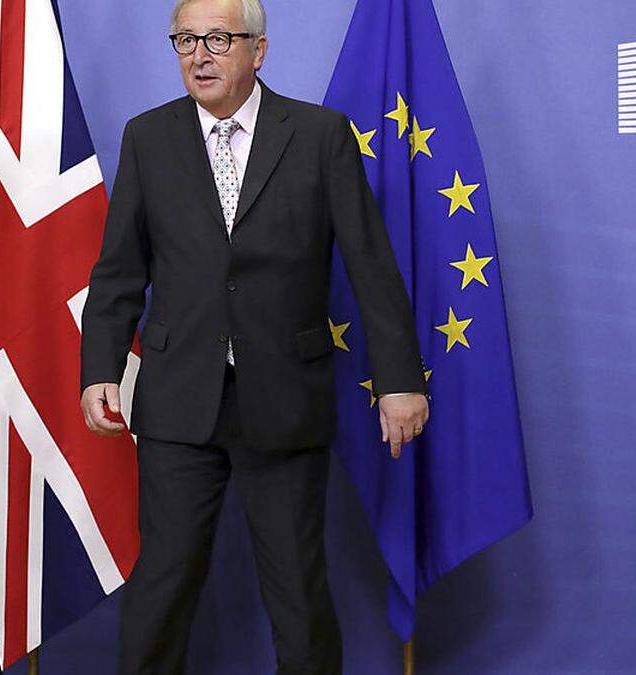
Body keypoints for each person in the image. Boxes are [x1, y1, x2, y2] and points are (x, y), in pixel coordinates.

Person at [79, 0, 431, 672]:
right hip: (179, 399)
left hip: (284, 394)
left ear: (259, 50)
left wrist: (400, 380)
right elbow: (120, 268)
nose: (199, 54)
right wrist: (100, 366)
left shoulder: (321, 134)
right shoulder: (148, 137)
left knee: (297, 589)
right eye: (184, 40)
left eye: (217, 38)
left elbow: (371, 264)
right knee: (163, 584)